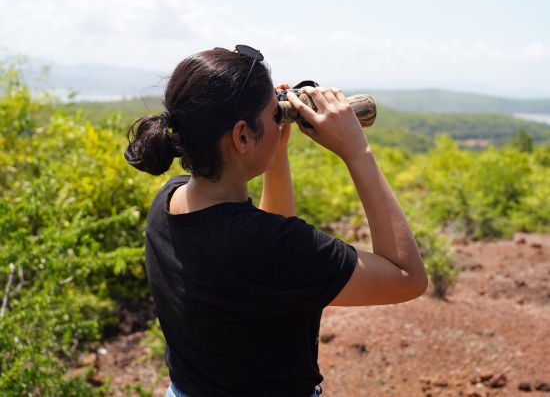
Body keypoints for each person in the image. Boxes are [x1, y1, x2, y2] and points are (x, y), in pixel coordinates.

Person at [124, 45, 427, 397]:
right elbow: (407, 278)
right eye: (275, 115)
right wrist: (357, 152)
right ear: (241, 136)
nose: (281, 120)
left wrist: (276, 149)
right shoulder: (273, 246)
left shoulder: (169, 201)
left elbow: (266, 251)